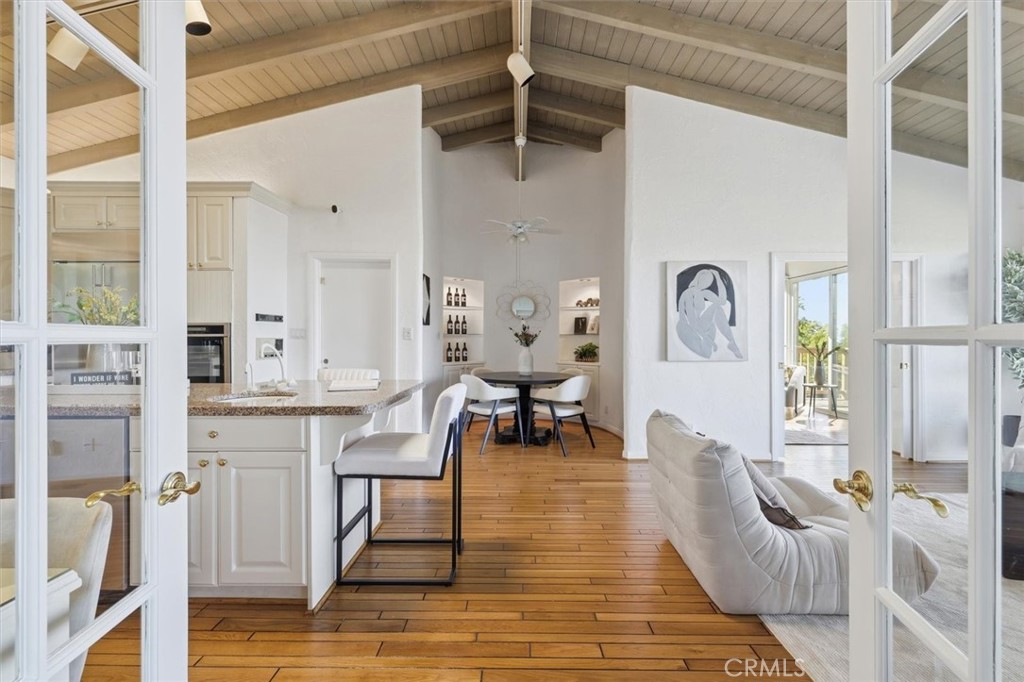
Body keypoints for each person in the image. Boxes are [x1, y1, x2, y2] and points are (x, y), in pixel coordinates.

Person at [676, 267, 743, 360]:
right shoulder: (688, 293)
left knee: (717, 308)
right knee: (715, 311)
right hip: (687, 330)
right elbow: (692, 323)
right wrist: (711, 342)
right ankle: (731, 343)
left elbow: (722, 301)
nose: (706, 283)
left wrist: (717, 277)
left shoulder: (704, 293)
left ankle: (732, 343)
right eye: (705, 279)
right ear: (698, 278)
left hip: (698, 328)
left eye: (709, 281)